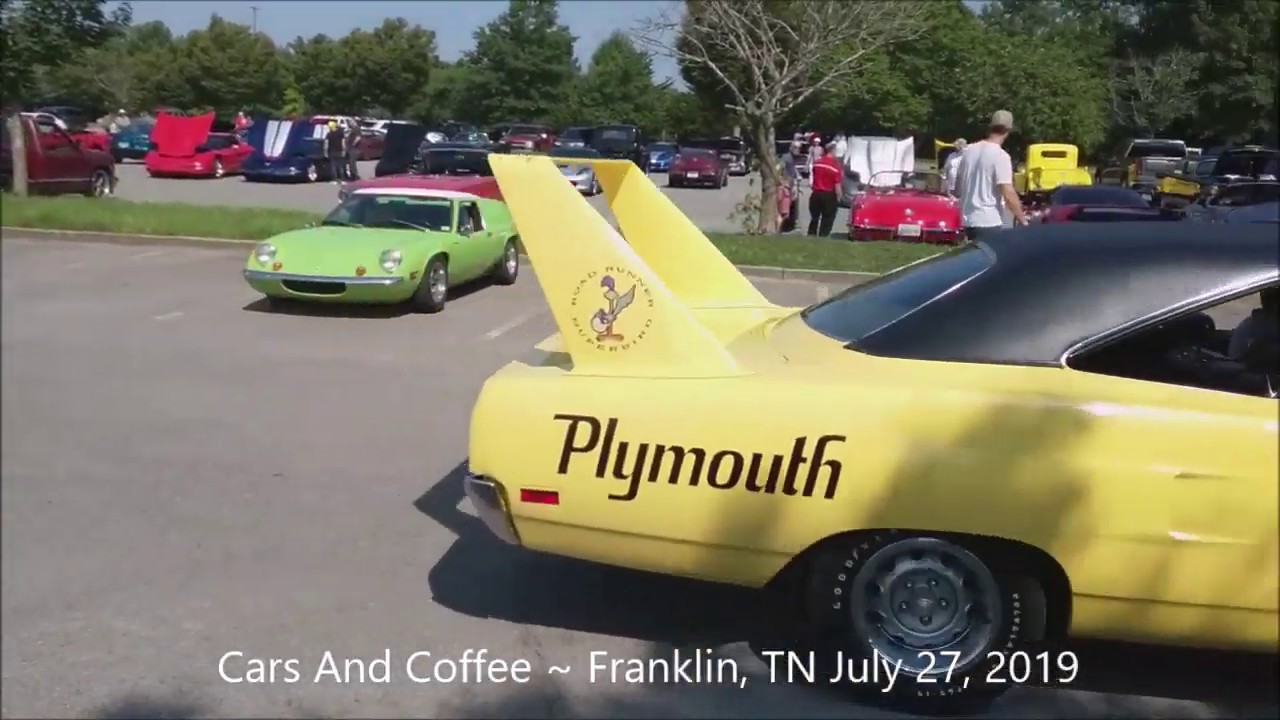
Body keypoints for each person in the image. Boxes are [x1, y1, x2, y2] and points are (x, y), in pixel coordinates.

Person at [955, 110, 1027, 240]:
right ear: (1007, 131)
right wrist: (1022, 219)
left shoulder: (968, 151)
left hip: (968, 220)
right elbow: (1008, 192)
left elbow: (958, 186)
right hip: (988, 221)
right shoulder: (1001, 156)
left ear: (990, 127)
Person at [808, 141, 841, 236]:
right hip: (828, 194)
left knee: (814, 217)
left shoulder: (817, 163)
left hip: (816, 193)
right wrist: (839, 197)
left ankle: (811, 234)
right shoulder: (835, 166)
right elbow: (837, 184)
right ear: (832, 151)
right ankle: (823, 234)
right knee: (828, 217)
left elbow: (814, 176)